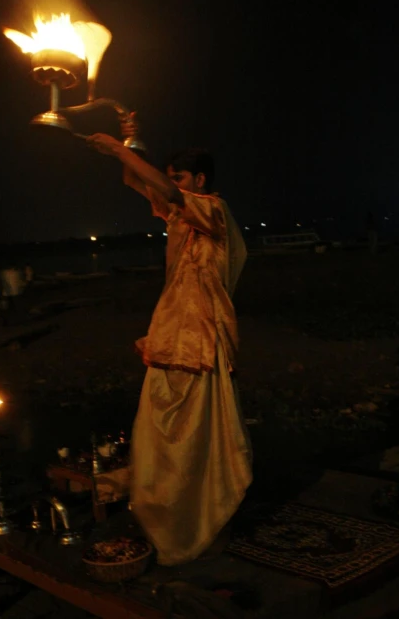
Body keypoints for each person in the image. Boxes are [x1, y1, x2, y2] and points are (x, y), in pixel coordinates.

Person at [88, 124, 252, 566]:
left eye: (180, 178)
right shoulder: (180, 215)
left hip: (199, 339)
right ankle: (166, 516)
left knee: (200, 436)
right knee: (157, 432)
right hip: (169, 335)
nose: (173, 187)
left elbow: (164, 189)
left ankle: (206, 519)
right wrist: (126, 146)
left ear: (199, 180)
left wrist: (121, 153)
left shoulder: (212, 211)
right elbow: (142, 183)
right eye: (172, 178)